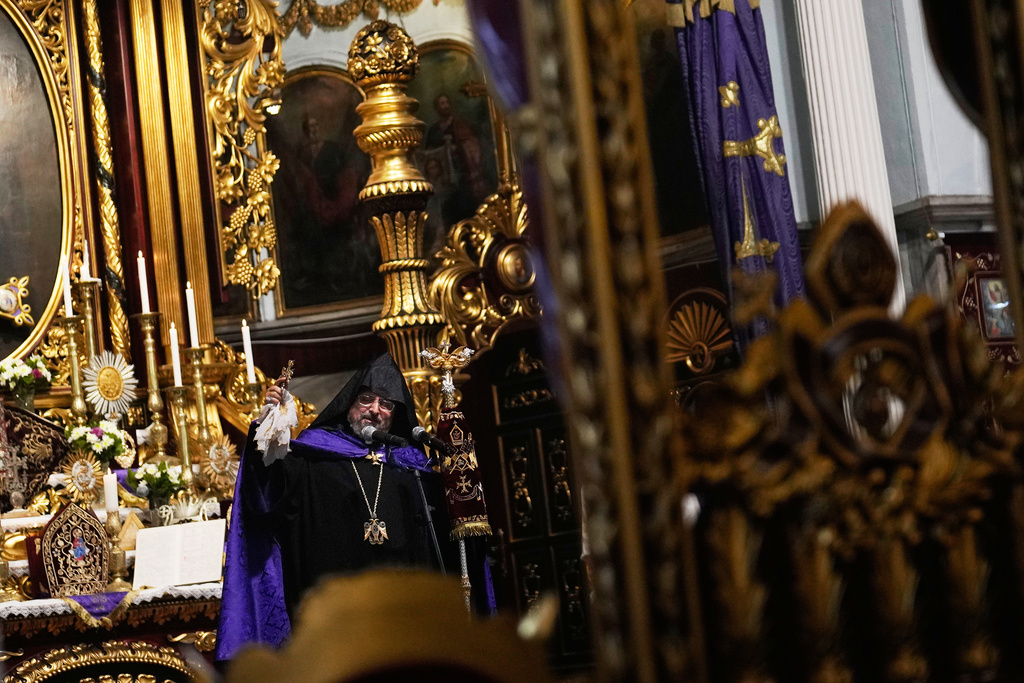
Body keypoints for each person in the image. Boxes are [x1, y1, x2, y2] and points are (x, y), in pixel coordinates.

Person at [216, 353, 454, 662]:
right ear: (349, 403)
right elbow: (267, 487)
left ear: (396, 415)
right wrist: (270, 423)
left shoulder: (411, 467)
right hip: (332, 626)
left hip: (403, 621)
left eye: (386, 404)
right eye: (366, 399)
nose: (374, 410)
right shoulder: (313, 456)